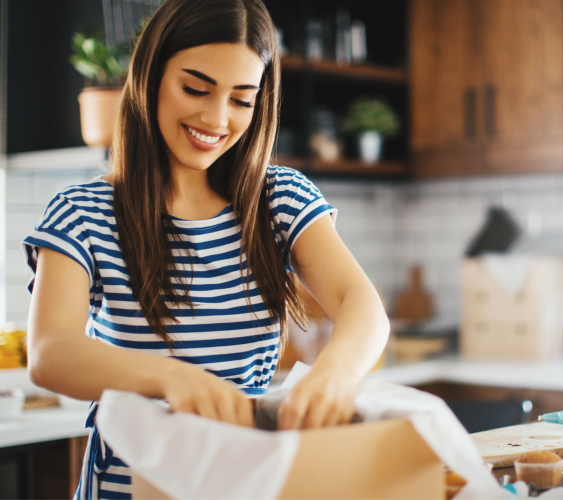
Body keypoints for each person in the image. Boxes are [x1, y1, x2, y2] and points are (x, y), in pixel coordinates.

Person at [23, 1, 389, 498]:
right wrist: (170, 378)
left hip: (244, 479)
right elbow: (49, 353)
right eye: (195, 88)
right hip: (128, 485)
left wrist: (334, 374)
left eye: (242, 99)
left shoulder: (279, 200)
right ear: (150, 77)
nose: (217, 118)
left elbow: (361, 305)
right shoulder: (84, 212)